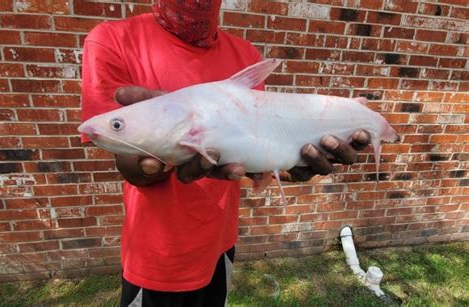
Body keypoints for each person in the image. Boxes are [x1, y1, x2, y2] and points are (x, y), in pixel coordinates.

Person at [80, 0, 371, 305]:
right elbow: (127, 162)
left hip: (220, 243)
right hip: (158, 255)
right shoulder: (112, 40)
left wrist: (289, 164)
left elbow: (253, 149)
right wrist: (153, 161)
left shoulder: (244, 55)